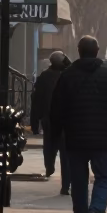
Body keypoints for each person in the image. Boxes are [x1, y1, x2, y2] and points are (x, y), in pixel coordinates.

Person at [49, 36, 107, 213]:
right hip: (102, 140)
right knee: (103, 177)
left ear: (79, 51)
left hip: (75, 139)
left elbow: (56, 108)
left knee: (78, 183)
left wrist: (54, 134)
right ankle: (96, 211)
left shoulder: (68, 75)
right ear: (97, 51)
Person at [30, 52, 70, 194]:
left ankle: (49, 165)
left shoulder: (44, 76)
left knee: (49, 145)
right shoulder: (68, 76)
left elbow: (36, 99)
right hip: (65, 120)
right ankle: (66, 184)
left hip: (49, 119)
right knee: (66, 153)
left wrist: (35, 121)